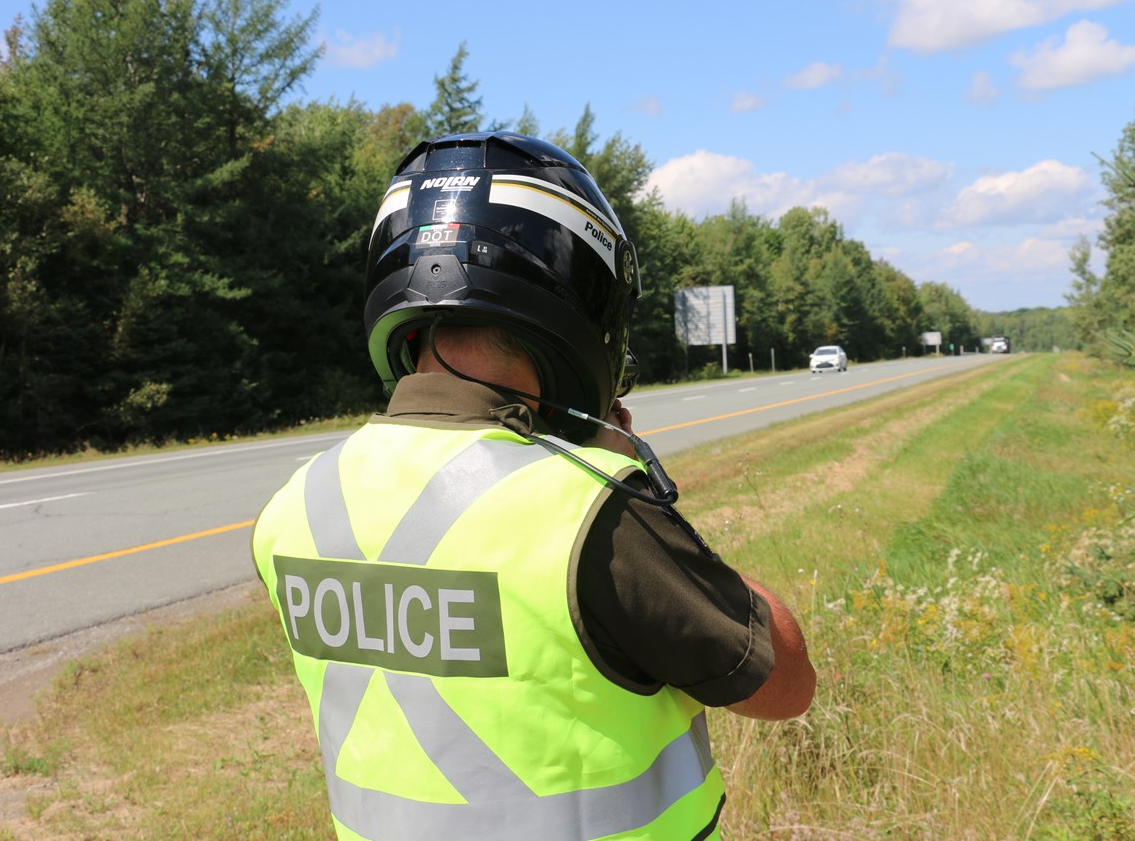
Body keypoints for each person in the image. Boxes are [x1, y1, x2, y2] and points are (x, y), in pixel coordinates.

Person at [251, 131, 815, 840]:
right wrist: (624, 475)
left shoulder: (295, 506)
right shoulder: (591, 509)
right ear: (582, 295)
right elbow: (784, 683)